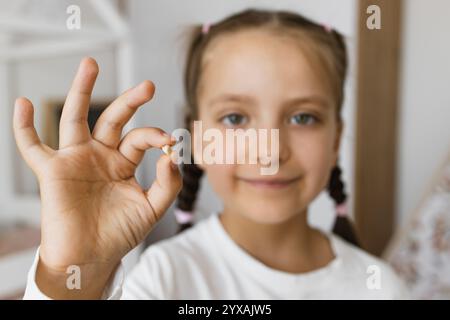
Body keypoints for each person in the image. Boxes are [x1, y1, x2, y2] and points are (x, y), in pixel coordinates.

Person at [19, 9, 409, 299]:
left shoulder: (380, 288)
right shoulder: (163, 277)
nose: (269, 151)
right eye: (236, 117)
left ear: (337, 138)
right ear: (197, 138)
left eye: (303, 117)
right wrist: (71, 274)